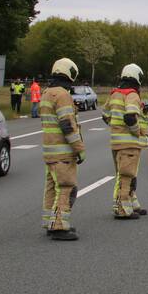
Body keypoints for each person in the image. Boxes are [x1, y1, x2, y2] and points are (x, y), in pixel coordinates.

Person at [40, 58, 86, 241]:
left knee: (52, 188)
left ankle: (49, 222)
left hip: (49, 150)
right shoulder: (62, 95)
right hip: (63, 152)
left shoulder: (46, 93)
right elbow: (67, 125)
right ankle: (59, 226)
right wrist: (79, 148)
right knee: (67, 187)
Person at [103, 64, 148, 219]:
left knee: (126, 175)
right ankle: (122, 208)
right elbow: (130, 117)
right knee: (126, 175)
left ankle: (132, 203)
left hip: (116, 142)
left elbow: (105, 114)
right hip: (129, 143)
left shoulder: (114, 94)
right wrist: (137, 131)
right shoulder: (132, 95)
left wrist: (116, 126)